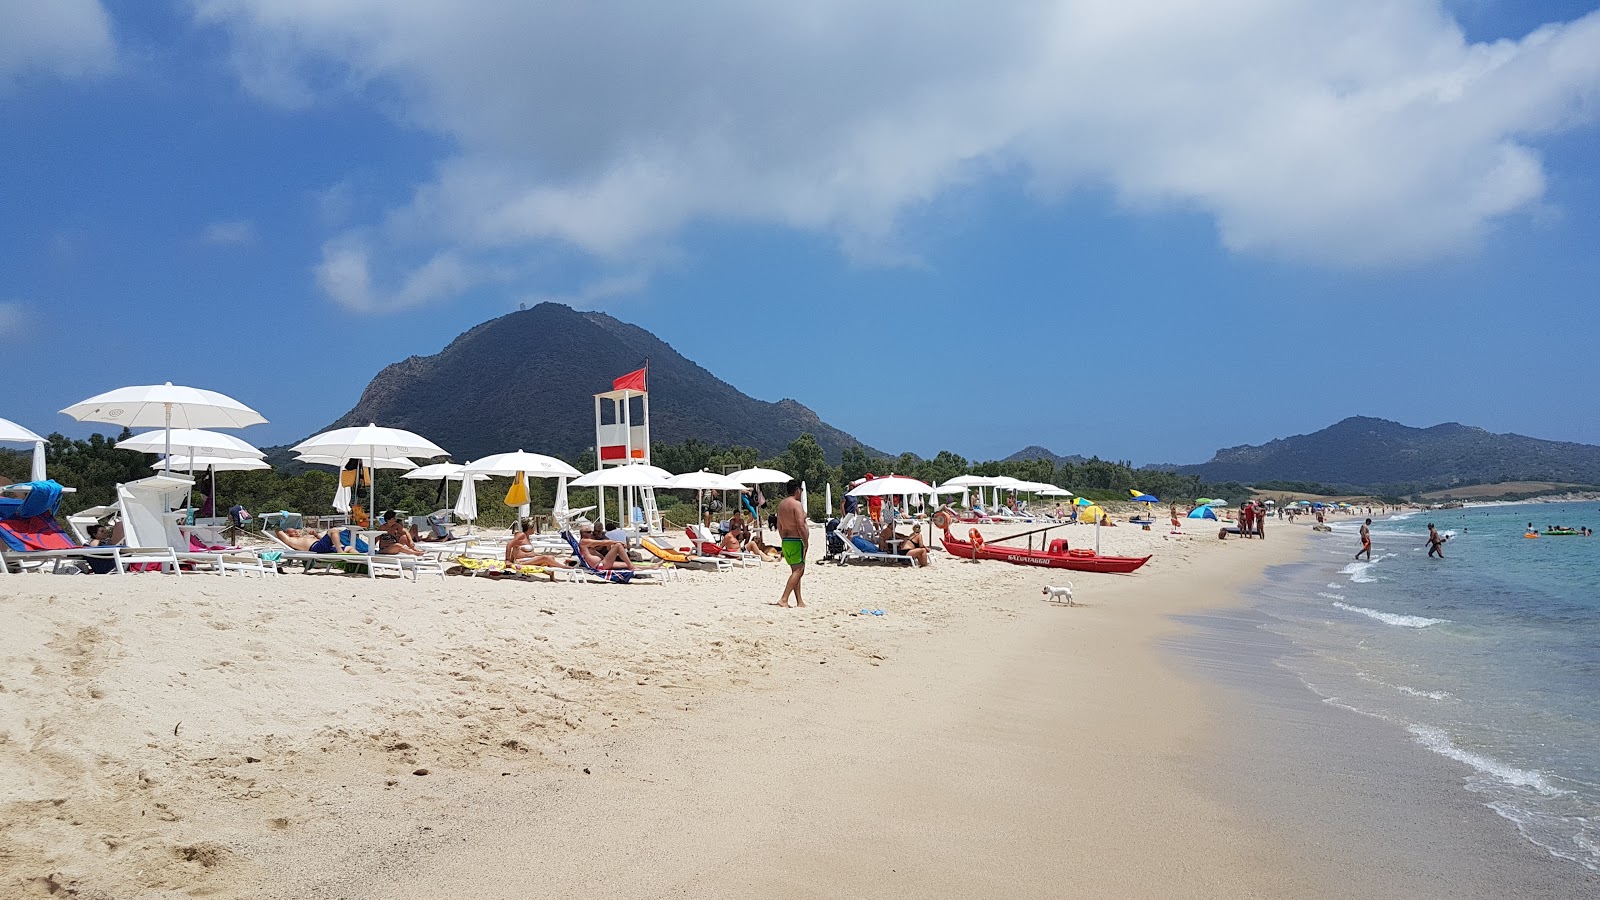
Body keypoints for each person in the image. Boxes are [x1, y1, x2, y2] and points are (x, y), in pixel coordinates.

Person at [776, 480, 808, 608]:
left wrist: (783, 538)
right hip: (796, 540)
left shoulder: (782, 505)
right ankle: (784, 599)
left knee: (795, 571)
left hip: (786, 540)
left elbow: (779, 525)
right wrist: (806, 542)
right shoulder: (796, 504)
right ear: (797, 490)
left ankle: (799, 601)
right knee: (799, 571)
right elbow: (800, 525)